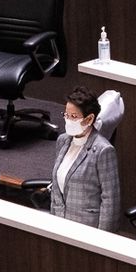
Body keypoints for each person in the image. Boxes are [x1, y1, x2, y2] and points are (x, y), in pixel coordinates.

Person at [48, 86, 120, 231]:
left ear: (89, 119)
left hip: (86, 228)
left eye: (73, 117)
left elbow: (110, 200)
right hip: (59, 222)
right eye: (66, 115)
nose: (68, 120)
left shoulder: (103, 150)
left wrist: (103, 238)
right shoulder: (63, 140)